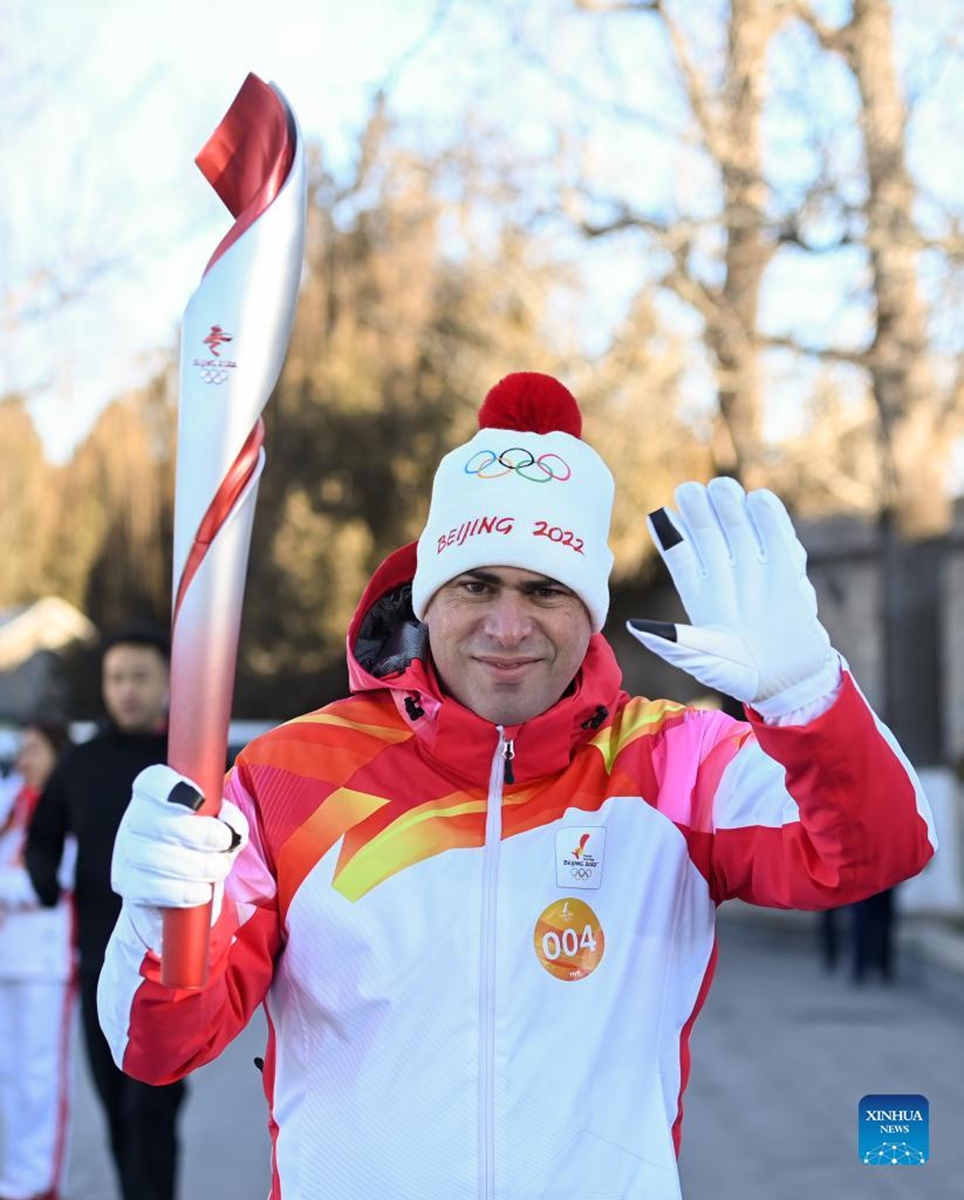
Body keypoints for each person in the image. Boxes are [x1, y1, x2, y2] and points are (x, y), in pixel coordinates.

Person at [97, 374, 936, 1200]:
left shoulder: (673, 762)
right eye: (476, 585)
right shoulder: (291, 776)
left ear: (589, 611)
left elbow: (881, 848)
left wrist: (807, 698)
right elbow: (158, 1045)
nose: (508, 627)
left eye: (546, 591)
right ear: (427, 596)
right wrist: (155, 916)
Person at [25, 627, 187, 1200]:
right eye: (116, 678)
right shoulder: (81, 765)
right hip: (99, 964)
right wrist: (44, 880)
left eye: (140, 677)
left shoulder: (187, 762)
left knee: (152, 1108)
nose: (127, 690)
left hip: (172, 966)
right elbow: (42, 837)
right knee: (118, 1110)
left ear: (168, 682)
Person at [0, 719, 75, 1200]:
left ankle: (38, 1182)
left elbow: (48, 883)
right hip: (8, 958)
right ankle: (14, 1176)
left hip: (46, 963)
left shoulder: (69, 805)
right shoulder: (13, 801)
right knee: (10, 1077)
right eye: (21, 751)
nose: (24, 760)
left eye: (34, 750)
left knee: (38, 1077)